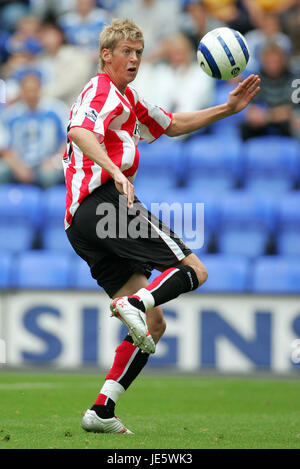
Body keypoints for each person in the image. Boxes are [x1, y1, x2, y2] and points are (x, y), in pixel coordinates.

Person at [63, 18, 260, 434]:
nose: (134, 58)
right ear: (106, 55)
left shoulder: (128, 98)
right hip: (102, 205)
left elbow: (171, 125)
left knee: (153, 325)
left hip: (81, 222)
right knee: (195, 270)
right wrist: (114, 169)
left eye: (138, 52)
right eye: (126, 52)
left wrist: (227, 108)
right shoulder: (99, 90)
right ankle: (133, 304)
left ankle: (101, 411)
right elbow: (80, 130)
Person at [0, 71, 68, 186]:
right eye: (27, 90)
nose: (31, 94)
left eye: (34, 90)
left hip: (49, 163)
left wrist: (54, 161)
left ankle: (50, 203)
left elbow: (68, 141)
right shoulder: (10, 114)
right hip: (19, 163)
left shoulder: (57, 110)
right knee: (2, 171)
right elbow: (4, 146)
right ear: (21, 91)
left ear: (41, 89)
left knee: (49, 177)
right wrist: (18, 166)